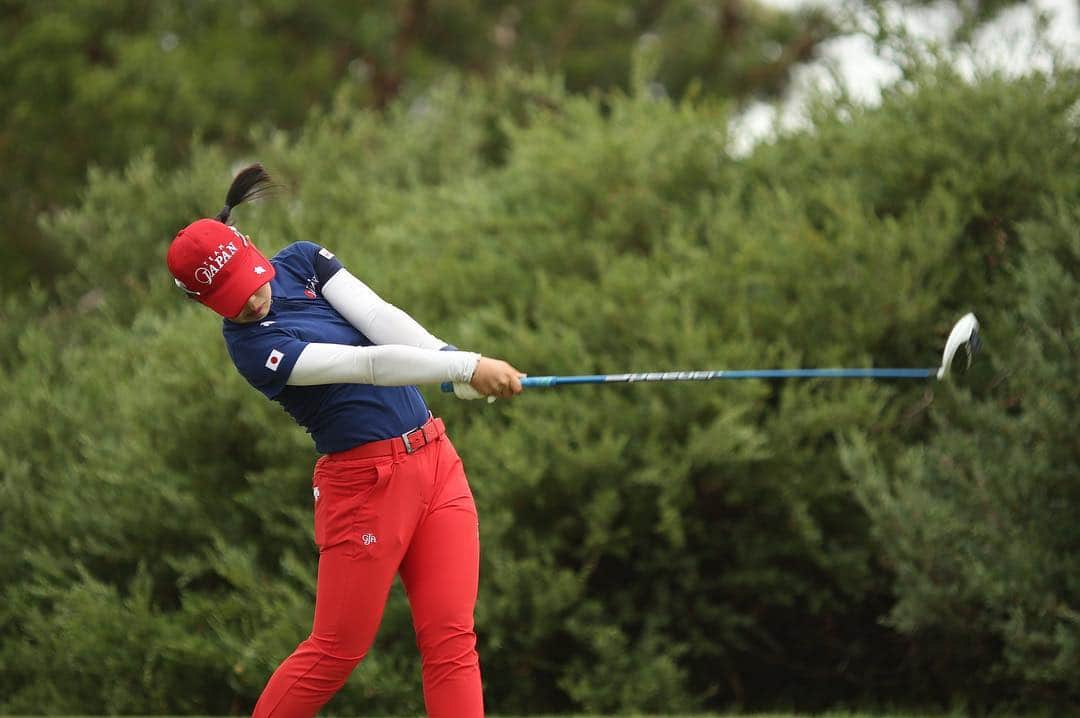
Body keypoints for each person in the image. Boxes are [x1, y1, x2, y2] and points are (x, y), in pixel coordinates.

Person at [166, 164, 524, 718]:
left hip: (436, 463)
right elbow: (367, 365)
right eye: (229, 299)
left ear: (249, 245)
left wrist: (453, 363)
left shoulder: (304, 260)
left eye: (248, 281)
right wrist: (466, 366)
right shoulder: (253, 349)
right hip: (365, 488)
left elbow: (381, 320)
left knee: (452, 641)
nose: (251, 302)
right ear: (204, 301)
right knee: (336, 650)